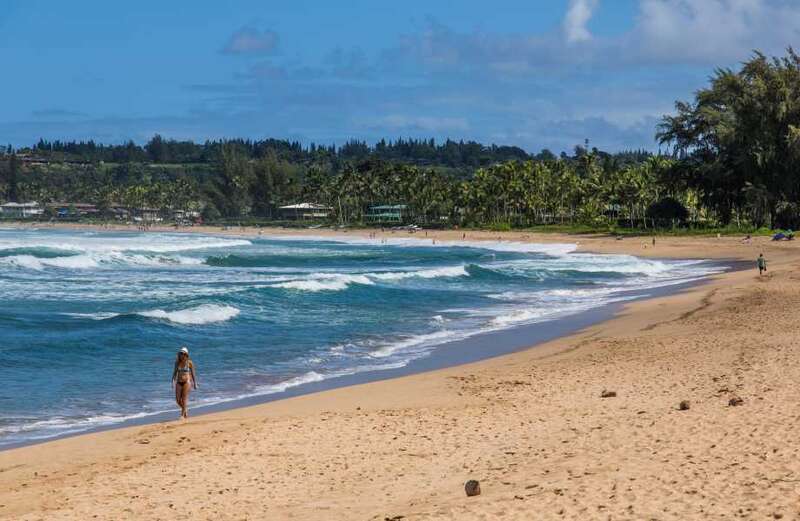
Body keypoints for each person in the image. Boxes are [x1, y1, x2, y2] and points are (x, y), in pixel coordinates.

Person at [171, 347, 197, 419]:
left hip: (187, 382)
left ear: (186, 355)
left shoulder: (190, 363)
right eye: (181, 353)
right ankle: (185, 409)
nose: (182, 355)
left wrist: (195, 383)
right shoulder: (177, 362)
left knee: (184, 399)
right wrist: (172, 382)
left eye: (183, 353)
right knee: (178, 400)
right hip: (179, 382)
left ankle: (182, 415)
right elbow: (174, 373)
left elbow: (193, 374)